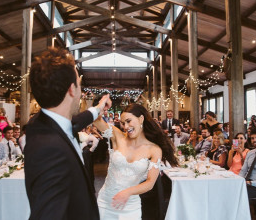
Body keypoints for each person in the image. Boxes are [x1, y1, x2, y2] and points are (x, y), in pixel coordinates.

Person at [25, 48, 110, 220]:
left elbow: (73, 123)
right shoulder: (50, 150)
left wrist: (98, 108)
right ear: (72, 89)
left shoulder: (41, 124)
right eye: (79, 84)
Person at [93, 103, 178, 220]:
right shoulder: (117, 136)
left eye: (129, 121)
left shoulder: (154, 150)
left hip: (130, 206)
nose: (126, 127)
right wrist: (101, 106)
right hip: (105, 202)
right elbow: (95, 120)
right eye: (123, 123)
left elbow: (150, 183)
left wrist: (127, 192)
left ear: (141, 119)